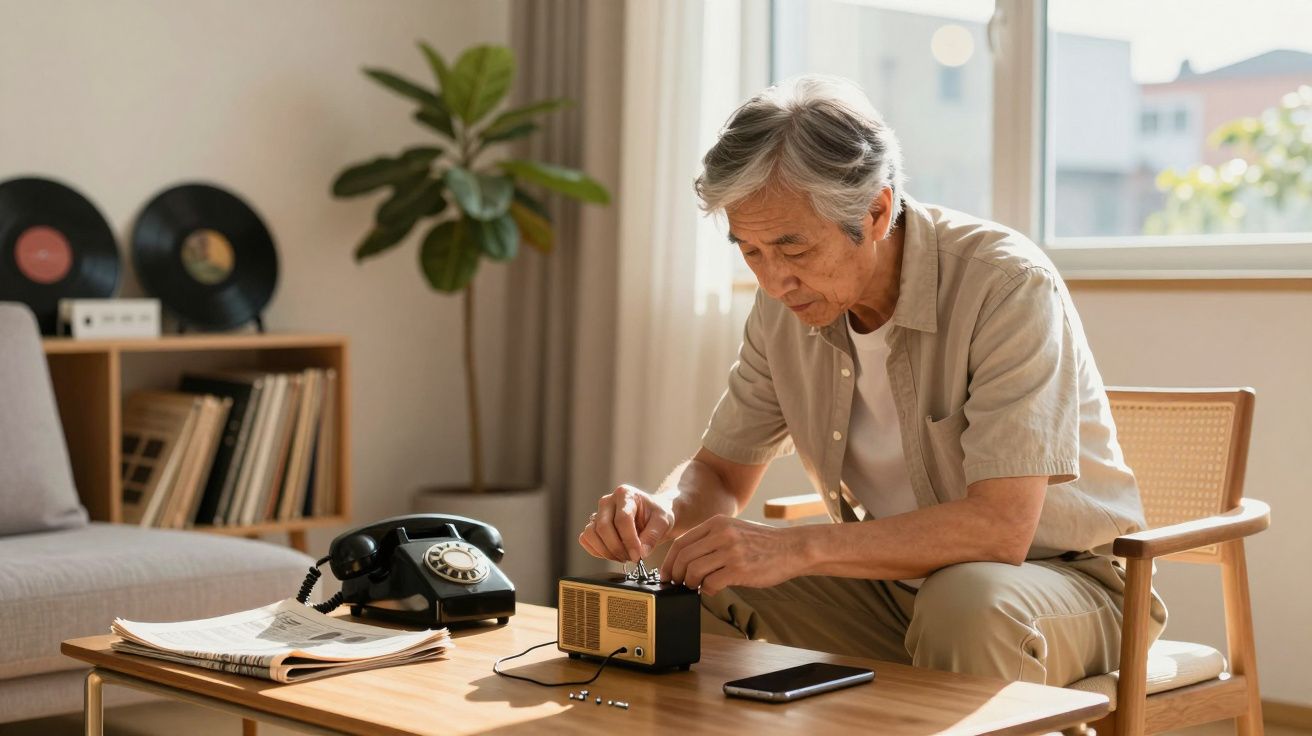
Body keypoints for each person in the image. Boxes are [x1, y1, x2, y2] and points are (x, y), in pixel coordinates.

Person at [578, 75, 1166, 686]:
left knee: (967, 603)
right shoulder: (782, 308)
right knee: (691, 585)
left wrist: (798, 547)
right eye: (750, 251)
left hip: (1062, 587)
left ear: (877, 210)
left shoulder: (1005, 285)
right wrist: (665, 512)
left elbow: (1000, 528)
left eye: (794, 249)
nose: (775, 281)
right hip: (894, 589)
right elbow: (722, 472)